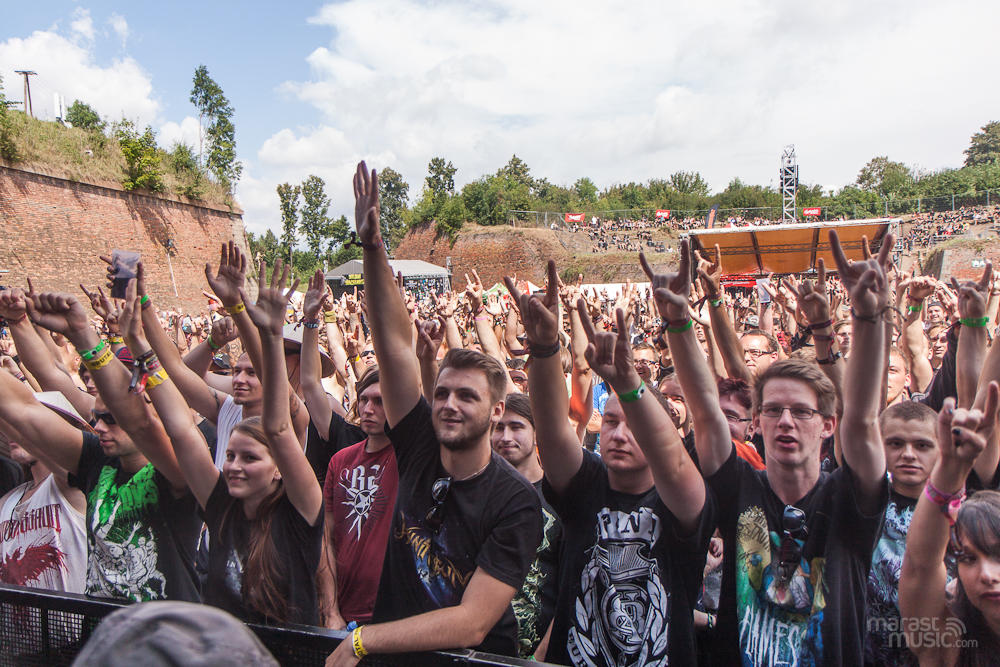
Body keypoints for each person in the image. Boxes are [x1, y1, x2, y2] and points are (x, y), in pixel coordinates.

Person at [324, 162, 542, 665]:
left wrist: (363, 639)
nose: (448, 404)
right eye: (441, 393)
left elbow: (471, 622)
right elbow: (393, 347)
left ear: (497, 410)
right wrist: (373, 248)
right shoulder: (420, 442)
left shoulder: (515, 501)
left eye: (466, 396)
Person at [689, 231, 894, 665]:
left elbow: (863, 419)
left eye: (801, 412)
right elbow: (705, 410)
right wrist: (680, 322)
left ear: (828, 425)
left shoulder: (847, 498)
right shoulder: (740, 486)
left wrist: (867, 317)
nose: (785, 421)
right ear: (756, 422)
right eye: (773, 410)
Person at [514, 257, 714, 665]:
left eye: (633, 425)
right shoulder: (586, 484)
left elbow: (675, 466)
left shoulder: (680, 497)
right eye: (610, 422)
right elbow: (551, 430)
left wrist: (628, 385)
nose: (619, 434)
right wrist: (545, 347)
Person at [116, 264, 324, 625]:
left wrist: (270, 334)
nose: (233, 466)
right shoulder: (221, 505)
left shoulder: (300, 510)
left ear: (279, 468)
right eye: (229, 455)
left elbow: (278, 429)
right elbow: (181, 428)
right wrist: (138, 338)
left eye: (249, 458)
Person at [1, 290, 201, 603]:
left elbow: (140, 423)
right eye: (98, 419)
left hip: (164, 632)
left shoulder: (176, 471)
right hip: (102, 631)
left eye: (112, 420)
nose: (99, 428)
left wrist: (84, 334)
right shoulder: (97, 460)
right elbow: (23, 409)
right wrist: (17, 321)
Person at [899, 393, 1000, 667]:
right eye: (968, 558)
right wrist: (949, 472)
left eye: (998, 555)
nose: (987, 574)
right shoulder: (950, 642)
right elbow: (921, 565)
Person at [320, 367, 398, 629]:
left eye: (380, 401)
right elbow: (326, 539)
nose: (368, 409)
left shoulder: (409, 459)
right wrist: (331, 610)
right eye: (364, 399)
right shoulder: (340, 461)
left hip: (397, 616)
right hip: (345, 611)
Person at [490, 392, 562, 659]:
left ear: (536, 433)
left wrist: (540, 658)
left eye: (516, 426)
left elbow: (571, 588)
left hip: (539, 653)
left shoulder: (561, 499)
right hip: (482, 648)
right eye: (498, 427)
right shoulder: (480, 493)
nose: (506, 436)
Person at [0, 393, 87, 593]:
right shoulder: (7, 501)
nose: (15, 431)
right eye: (12, 425)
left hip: (70, 612)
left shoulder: (71, 484)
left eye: (28, 425)